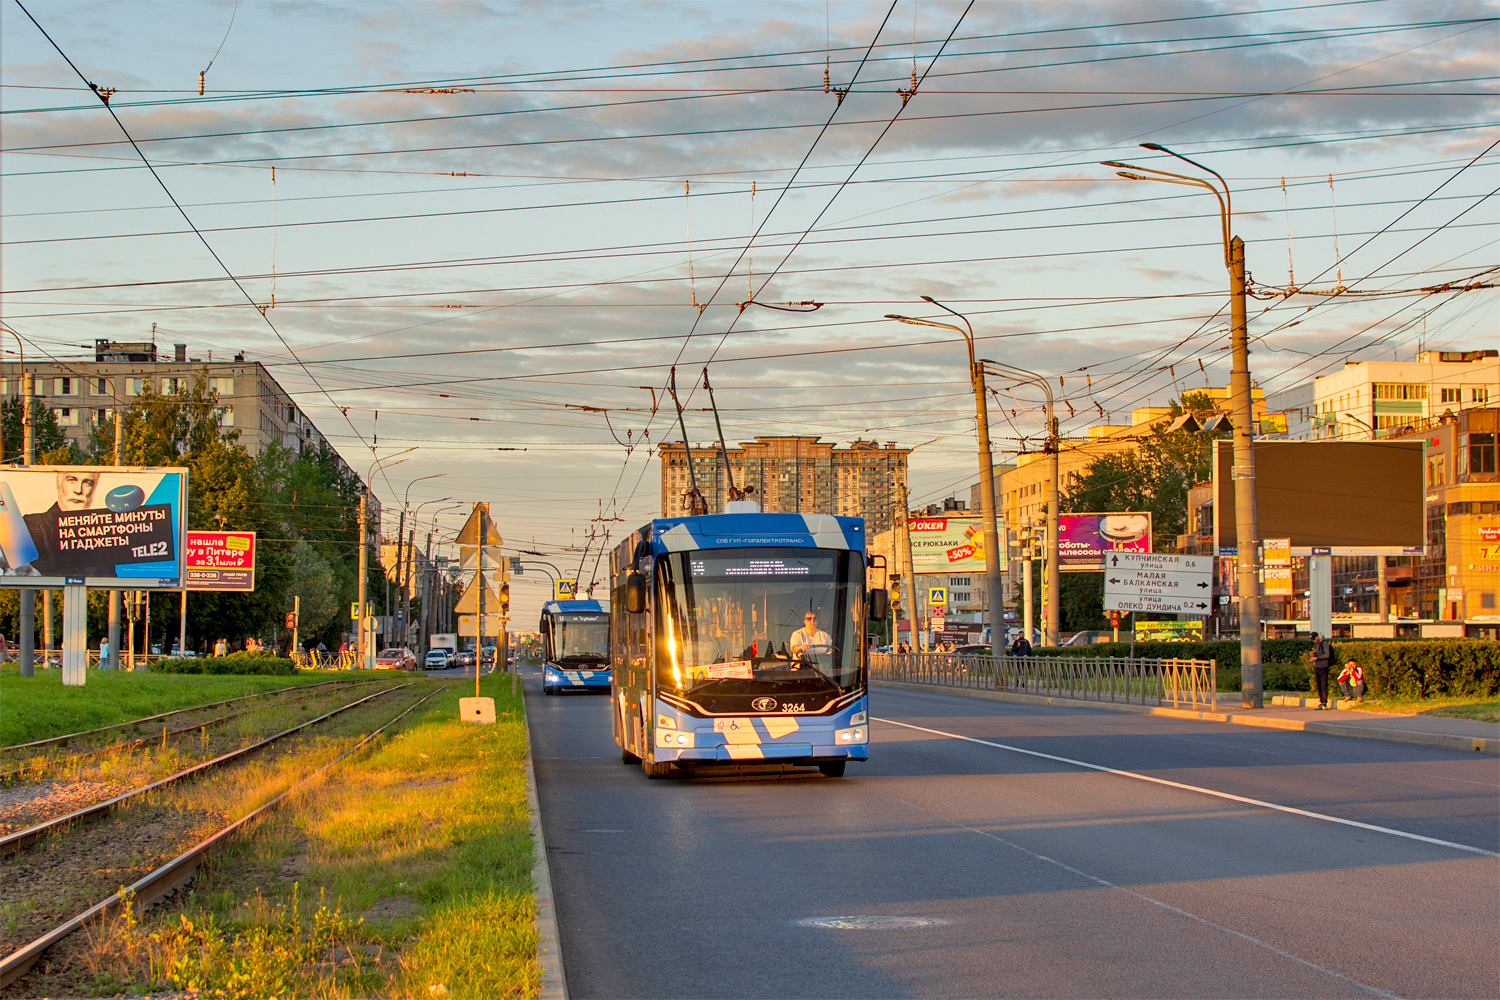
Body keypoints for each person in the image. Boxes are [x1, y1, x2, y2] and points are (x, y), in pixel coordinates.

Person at [1310, 631, 1333, 709]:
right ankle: (1321, 701)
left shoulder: (1324, 643)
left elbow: (1327, 655)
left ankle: (1324, 703)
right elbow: (1319, 653)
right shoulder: (1316, 645)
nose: (1313, 641)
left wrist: (1317, 658)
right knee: (1318, 685)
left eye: (1314, 639)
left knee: (1323, 685)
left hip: (1323, 666)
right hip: (1317, 666)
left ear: (1317, 637)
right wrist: (1314, 654)